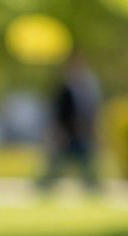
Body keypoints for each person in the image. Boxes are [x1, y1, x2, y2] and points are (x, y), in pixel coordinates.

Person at [37, 50, 101, 192]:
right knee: (58, 164)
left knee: (84, 163)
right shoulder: (65, 90)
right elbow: (58, 113)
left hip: (79, 133)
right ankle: (43, 186)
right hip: (67, 133)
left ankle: (93, 187)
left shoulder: (86, 89)